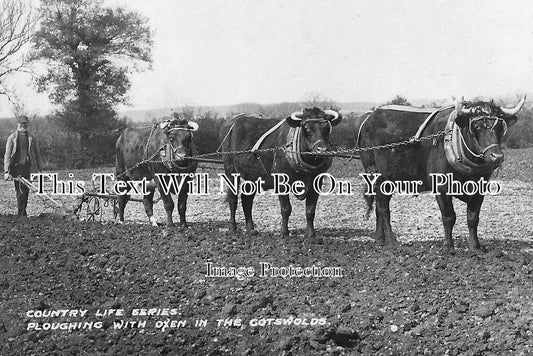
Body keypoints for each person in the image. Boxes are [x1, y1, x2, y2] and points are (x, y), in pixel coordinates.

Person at [3, 116, 43, 218]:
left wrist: (40, 168)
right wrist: (6, 171)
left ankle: (23, 212)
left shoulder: (31, 138)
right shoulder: (12, 138)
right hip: (17, 168)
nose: (23, 125)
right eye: (21, 123)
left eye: (25, 123)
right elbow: (7, 156)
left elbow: (37, 154)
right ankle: (21, 213)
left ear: (27, 124)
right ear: (18, 124)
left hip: (28, 167)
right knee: (20, 190)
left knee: (26, 190)